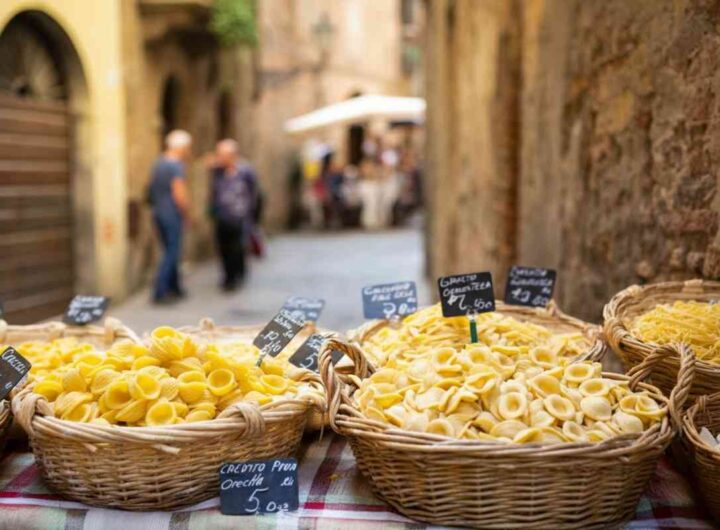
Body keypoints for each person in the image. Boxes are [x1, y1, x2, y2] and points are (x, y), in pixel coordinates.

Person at [148, 129, 192, 304]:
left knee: (169, 249)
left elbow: (151, 188)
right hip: (171, 213)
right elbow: (179, 193)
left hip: (158, 212)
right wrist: (187, 214)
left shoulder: (158, 163)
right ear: (181, 147)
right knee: (172, 252)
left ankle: (175, 287)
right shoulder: (176, 166)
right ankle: (160, 290)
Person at [208, 139, 259, 291]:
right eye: (220, 154)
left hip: (240, 216)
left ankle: (238, 274)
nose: (221, 158)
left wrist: (252, 213)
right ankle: (228, 277)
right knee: (223, 248)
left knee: (238, 248)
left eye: (224, 155)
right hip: (222, 216)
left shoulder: (245, 171)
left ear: (233, 155)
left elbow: (254, 191)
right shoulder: (218, 171)